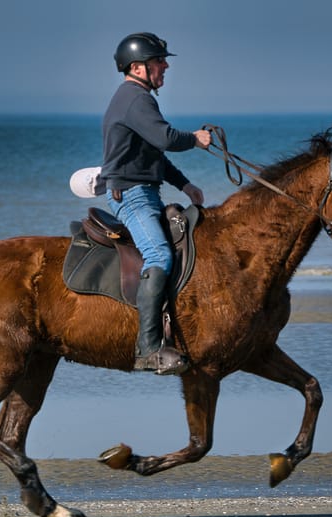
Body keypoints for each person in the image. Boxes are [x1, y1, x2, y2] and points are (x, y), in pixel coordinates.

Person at [101, 32, 211, 375]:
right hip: (131, 196)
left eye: (163, 61)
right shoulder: (136, 99)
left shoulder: (137, 98)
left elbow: (154, 156)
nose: (164, 66)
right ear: (137, 67)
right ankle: (147, 350)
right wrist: (194, 139)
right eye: (158, 61)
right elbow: (166, 138)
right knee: (160, 255)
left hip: (144, 190)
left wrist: (185, 184)